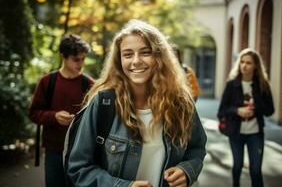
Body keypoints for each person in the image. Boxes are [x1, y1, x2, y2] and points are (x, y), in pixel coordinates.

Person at [67, 19, 207, 187]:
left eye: (145, 52)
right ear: (119, 61)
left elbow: (197, 149)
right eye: (128, 54)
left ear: (159, 57)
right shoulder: (104, 103)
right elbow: (79, 168)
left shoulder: (181, 103)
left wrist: (187, 170)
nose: (136, 61)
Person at [29, 34, 94, 187]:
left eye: (83, 59)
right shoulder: (47, 81)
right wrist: (54, 116)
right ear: (63, 56)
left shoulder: (89, 84)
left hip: (81, 152)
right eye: (76, 59)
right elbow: (33, 113)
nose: (81, 63)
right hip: (54, 150)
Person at [217, 48, 274, 187]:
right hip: (236, 133)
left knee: (255, 171)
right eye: (242, 62)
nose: (244, 65)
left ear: (255, 66)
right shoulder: (232, 84)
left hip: (255, 133)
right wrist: (237, 110)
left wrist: (257, 106)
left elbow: (270, 110)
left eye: (248, 63)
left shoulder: (263, 85)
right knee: (237, 166)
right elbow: (221, 111)